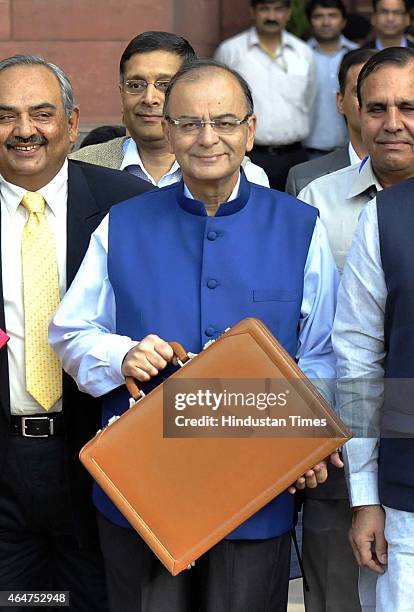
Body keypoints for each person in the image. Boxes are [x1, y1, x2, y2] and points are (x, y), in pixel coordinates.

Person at [50, 59, 340, 612]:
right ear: (169, 129)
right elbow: (69, 332)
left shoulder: (300, 225)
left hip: (257, 486)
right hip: (144, 487)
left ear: (250, 131)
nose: (208, 138)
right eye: (189, 123)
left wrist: (307, 437)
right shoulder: (123, 223)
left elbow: (321, 349)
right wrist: (121, 354)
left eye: (225, 122)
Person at [0, 54, 152, 609]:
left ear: (71, 124)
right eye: (6, 115)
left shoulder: (130, 206)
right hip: (7, 461)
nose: (24, 131)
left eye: (41, 113)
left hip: (100, 453)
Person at [332, 46, 414, 612]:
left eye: (410, 105)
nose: (395, 121)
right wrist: (365, 496)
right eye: (380, 106)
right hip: (409, 499)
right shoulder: (384, 219)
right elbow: (357, 365)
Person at [72, 31, 269, 188]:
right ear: (121, 93)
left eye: (164, 85)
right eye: (136, 85)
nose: (149, 98)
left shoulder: (242, 174)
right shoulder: (80, 167)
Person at [214, 0, 316, 190]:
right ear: (253, 12)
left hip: (295, 155)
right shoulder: (231, 51)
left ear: (288, 13)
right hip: (248, 156)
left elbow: (309, 100)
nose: (271, 16)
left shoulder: (303, 52)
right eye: (264, 9)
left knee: (296, 214)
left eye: (278, 10)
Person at [286, 48, 375, 196]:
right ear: (340, 102)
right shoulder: (304, 180)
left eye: (376, 92)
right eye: (358, 92)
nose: (370, 102)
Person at [304, 0, 358, 158]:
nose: (326, 22)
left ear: (343, 21)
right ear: (310, 22)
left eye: (332, 16)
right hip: (308, 152)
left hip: (353, 151)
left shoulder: (358, 55)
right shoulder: (298, 55)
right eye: (319, 16)